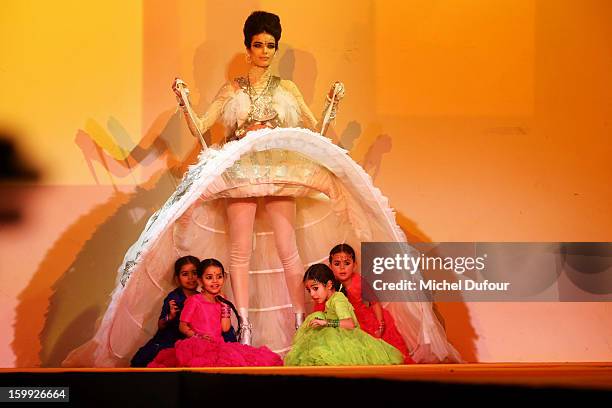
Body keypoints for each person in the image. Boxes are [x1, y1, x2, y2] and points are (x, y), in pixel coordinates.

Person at [63, 10, 461, 367]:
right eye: (258, 45)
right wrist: (184, 103)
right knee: (240, 251)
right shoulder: (232, 89)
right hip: (241, 173)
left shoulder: (287, 89)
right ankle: (245, 325)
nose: (265, 52)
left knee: (288, 250)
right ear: (248, 47)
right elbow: (202, 127)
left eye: (271, 45)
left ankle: (300, 319)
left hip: (281, 168)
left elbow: (312, 128)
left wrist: (333, 109)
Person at [148, 259, 282, 367]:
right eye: (209, 277)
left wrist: (225, 308)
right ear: (200, 281)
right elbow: (182, 326)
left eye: (219, 277)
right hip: (198, 345)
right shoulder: (194, 301)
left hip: (219, 345)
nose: (215, 281)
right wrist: (197, 336)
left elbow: (225, 328)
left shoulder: (221, 300)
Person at [284, 264, 403, 366]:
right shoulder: (330, 300)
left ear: (329, 285)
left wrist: (326, 323)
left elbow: (350, 324)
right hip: (336, 336)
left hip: (346, 338)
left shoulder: (338, 299)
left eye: (315, 288)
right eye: (309, 290)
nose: (312, 294)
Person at [323, 243, 414, 363]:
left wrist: (380, 323)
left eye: (347, 263)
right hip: (340, 318)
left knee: (374, 348)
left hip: (362, 319)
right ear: (330, 266)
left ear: (354, 265)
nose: (342, 268)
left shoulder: (359, 281)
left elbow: (374, 302)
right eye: (337, 264)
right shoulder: (330, 284)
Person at [129, 256, 200, 367]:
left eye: (194, 273)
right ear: (177, 278)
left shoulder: (201, 297)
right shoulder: (174, 297)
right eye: (185, 274)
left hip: (191, 339)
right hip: (170, 339)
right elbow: (161, 325)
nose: (190, 278)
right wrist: (170, 317)